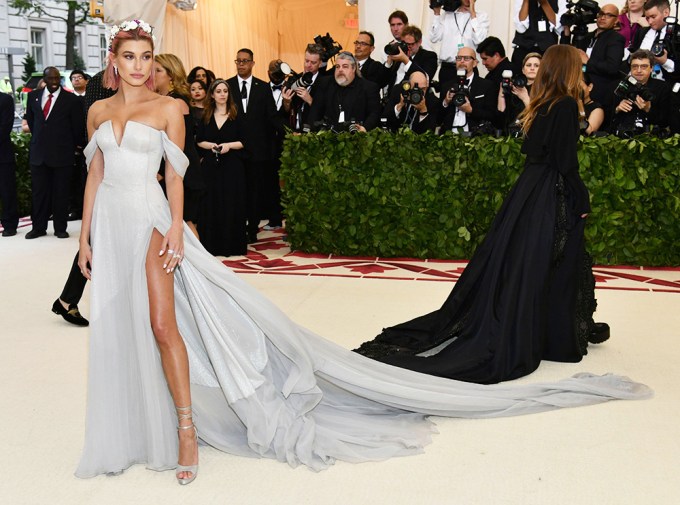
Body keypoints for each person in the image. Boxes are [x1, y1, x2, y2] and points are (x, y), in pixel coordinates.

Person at [75, 20, 652, 484]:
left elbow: (174, 178)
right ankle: (133, 425)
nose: (140, 66)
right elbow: (96, 173)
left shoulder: (169, 110)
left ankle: (185, 430)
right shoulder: (98, 113)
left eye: (147, 56)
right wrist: (84, 238)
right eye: (130, 56)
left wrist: (177, 227)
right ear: (113, 61)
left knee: (161, 323)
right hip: (111, 225)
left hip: (152, 225)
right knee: (120, 325)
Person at [356, 44, 611, 384]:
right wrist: (582, 199)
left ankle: (553, 329)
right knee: (553, 260)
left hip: (530, 188)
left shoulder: (543, 103)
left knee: (530, 261)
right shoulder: (564, 105)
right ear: (567, 69)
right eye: (577, 66)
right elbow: (566, 161)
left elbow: (533, 149)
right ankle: (554, 335)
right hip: (550, 191)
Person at [25, 66, 86, 239]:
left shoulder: (71, 100)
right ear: (44, 79)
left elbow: (77, 128)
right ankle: (38, 227)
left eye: (56, 78)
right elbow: (32, 120)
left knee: (61, 192)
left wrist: (72, 148)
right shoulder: (33, 97)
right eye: (50, 79)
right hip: (39, 154)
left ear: (60, 79)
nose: (53, 82)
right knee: (39, 193)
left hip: (62, 154)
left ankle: (60, 228)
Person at [227, 48, 281, 243]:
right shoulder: (228, 86)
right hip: (233, 150)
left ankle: (252, 229)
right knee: (236, 190)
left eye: (245, 61)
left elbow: (271, 117)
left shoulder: (263, 87)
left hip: (258, 151)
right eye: (238, 61)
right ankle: (236, 226)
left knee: (255, 192)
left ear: (252, 63)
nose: (241, 64)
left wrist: (288, 131)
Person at [155, 53, 205, 239]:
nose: (153, 73)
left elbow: (178, 146)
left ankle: (200, 265)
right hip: (172, 169)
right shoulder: (165, 100)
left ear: (171, 75)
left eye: (158, 70)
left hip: (182, 172)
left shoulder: (176, 102)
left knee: (184, 223)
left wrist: (160, 170)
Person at [195, 79, 247, 256]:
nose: (222, 94)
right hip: (211, 166)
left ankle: (232, 246)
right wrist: (212, 146)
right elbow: (199, 141)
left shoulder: (236, 114)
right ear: (212, 94)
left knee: (231, 204)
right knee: (211, 204)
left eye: (225, 91)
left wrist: (228, 146)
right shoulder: (206, 115)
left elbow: (244, 141)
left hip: (232, 167)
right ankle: (211, 245)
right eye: (219, 91)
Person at [308, 51, 382, 131]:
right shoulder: (325, 84)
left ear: (353, 68)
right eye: (337, 66)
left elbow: (374, 113)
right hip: (327, 136)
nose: (340, 70)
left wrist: (364, 128)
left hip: (357, 137)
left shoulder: (368, 87)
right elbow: (315, 112)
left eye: (345, 66)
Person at [576, 4, 625, 120]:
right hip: (580, 91)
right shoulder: (587, 37)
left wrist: (588, 62)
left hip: (601, 93)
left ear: (616, 20)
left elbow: (612, 67)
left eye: (609, 15)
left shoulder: (616, 38)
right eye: (601, 14)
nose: (603, 18)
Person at [611, 49, 670, 135]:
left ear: (651, 68)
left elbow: (666, 120)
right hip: (621, 136)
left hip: (651, 138)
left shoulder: (662, 87)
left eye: (644, 66)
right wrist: (617, 109)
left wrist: (648, 109)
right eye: (634, 66)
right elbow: (607, 116)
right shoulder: (619, 85)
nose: (638, 70)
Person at [430, 0, 490, 85]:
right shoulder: (447, 15)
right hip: (448, 68)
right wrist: (436, 14)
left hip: (469, 68)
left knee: (468, 97)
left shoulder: (481, 16)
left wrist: (472, 14)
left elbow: (479, 39)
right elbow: (434, 38)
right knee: (446, 97)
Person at [439, 47, 497, 135]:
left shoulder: (486, 85)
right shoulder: (446, 85)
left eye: (466, 58)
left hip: (475, 136)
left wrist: (471, 110)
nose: (462, 61)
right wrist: (446, 102)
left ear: (474, 63)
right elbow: (438, 117)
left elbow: (492, 115)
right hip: (448, 136)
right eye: (459, 58)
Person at [281, 43, 331, 131]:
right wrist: (286, 103)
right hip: (293, 133)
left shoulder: (326, 83)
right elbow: (285, 112)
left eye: (313, 62)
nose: (308, 65)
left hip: (314, 134)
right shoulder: (293, 79)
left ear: (320, 63)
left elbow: (328, 112)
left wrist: (310, 100)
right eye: (307, 61)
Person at [511, 0, 568, 72]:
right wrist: (526, 1)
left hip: (548, 51)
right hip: (524, 48)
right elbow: (520, 27)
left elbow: (560, 27)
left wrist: (544, 3)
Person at [496, 52, 541, 134]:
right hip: (510, 135)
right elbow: (501, 115)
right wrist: (501, 93)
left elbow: (539, 119)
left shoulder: (544, 91)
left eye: (536, 66)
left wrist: (525, 98)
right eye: (528, 65)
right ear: (523, 70)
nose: (532, 68)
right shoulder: (514, 87)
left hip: (530, 135)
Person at [386, 25, 439, 91]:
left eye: (411, 44)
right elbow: (383, 81)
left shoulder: (429, 56)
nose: (407, 47)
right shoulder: (399, 55)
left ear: (419, 42)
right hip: (392, 98)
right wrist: (388, 62)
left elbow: (425, 79)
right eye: (404, 43)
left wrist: (406, 60)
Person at [0, 90, 18, 237]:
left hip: (2, 154)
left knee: (7, 191)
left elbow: (5, 127)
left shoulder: (5, 99)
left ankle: (10, 224)